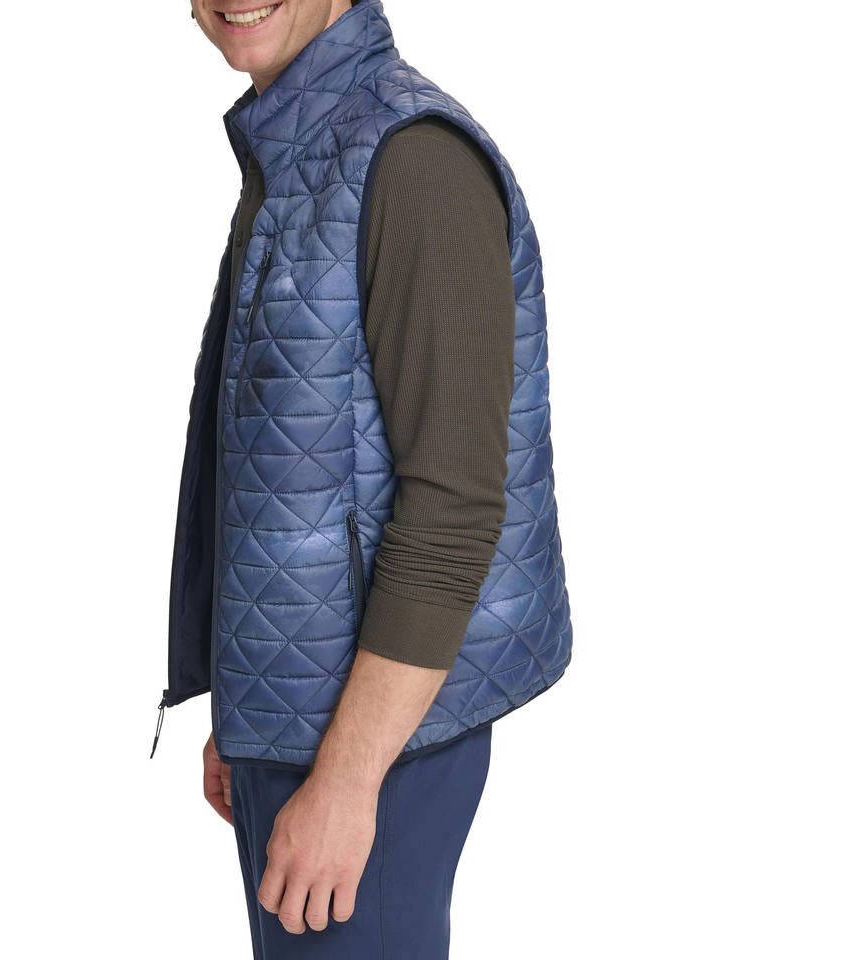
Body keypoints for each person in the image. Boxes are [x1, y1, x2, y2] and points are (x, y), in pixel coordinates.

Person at [156, 1, 573, 956]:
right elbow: (287, 471)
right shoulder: (302, 150)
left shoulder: (413, 161)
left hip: (377, 748)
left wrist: (346, 780)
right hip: (301, 726)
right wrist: (247, 705)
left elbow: (453, 512)